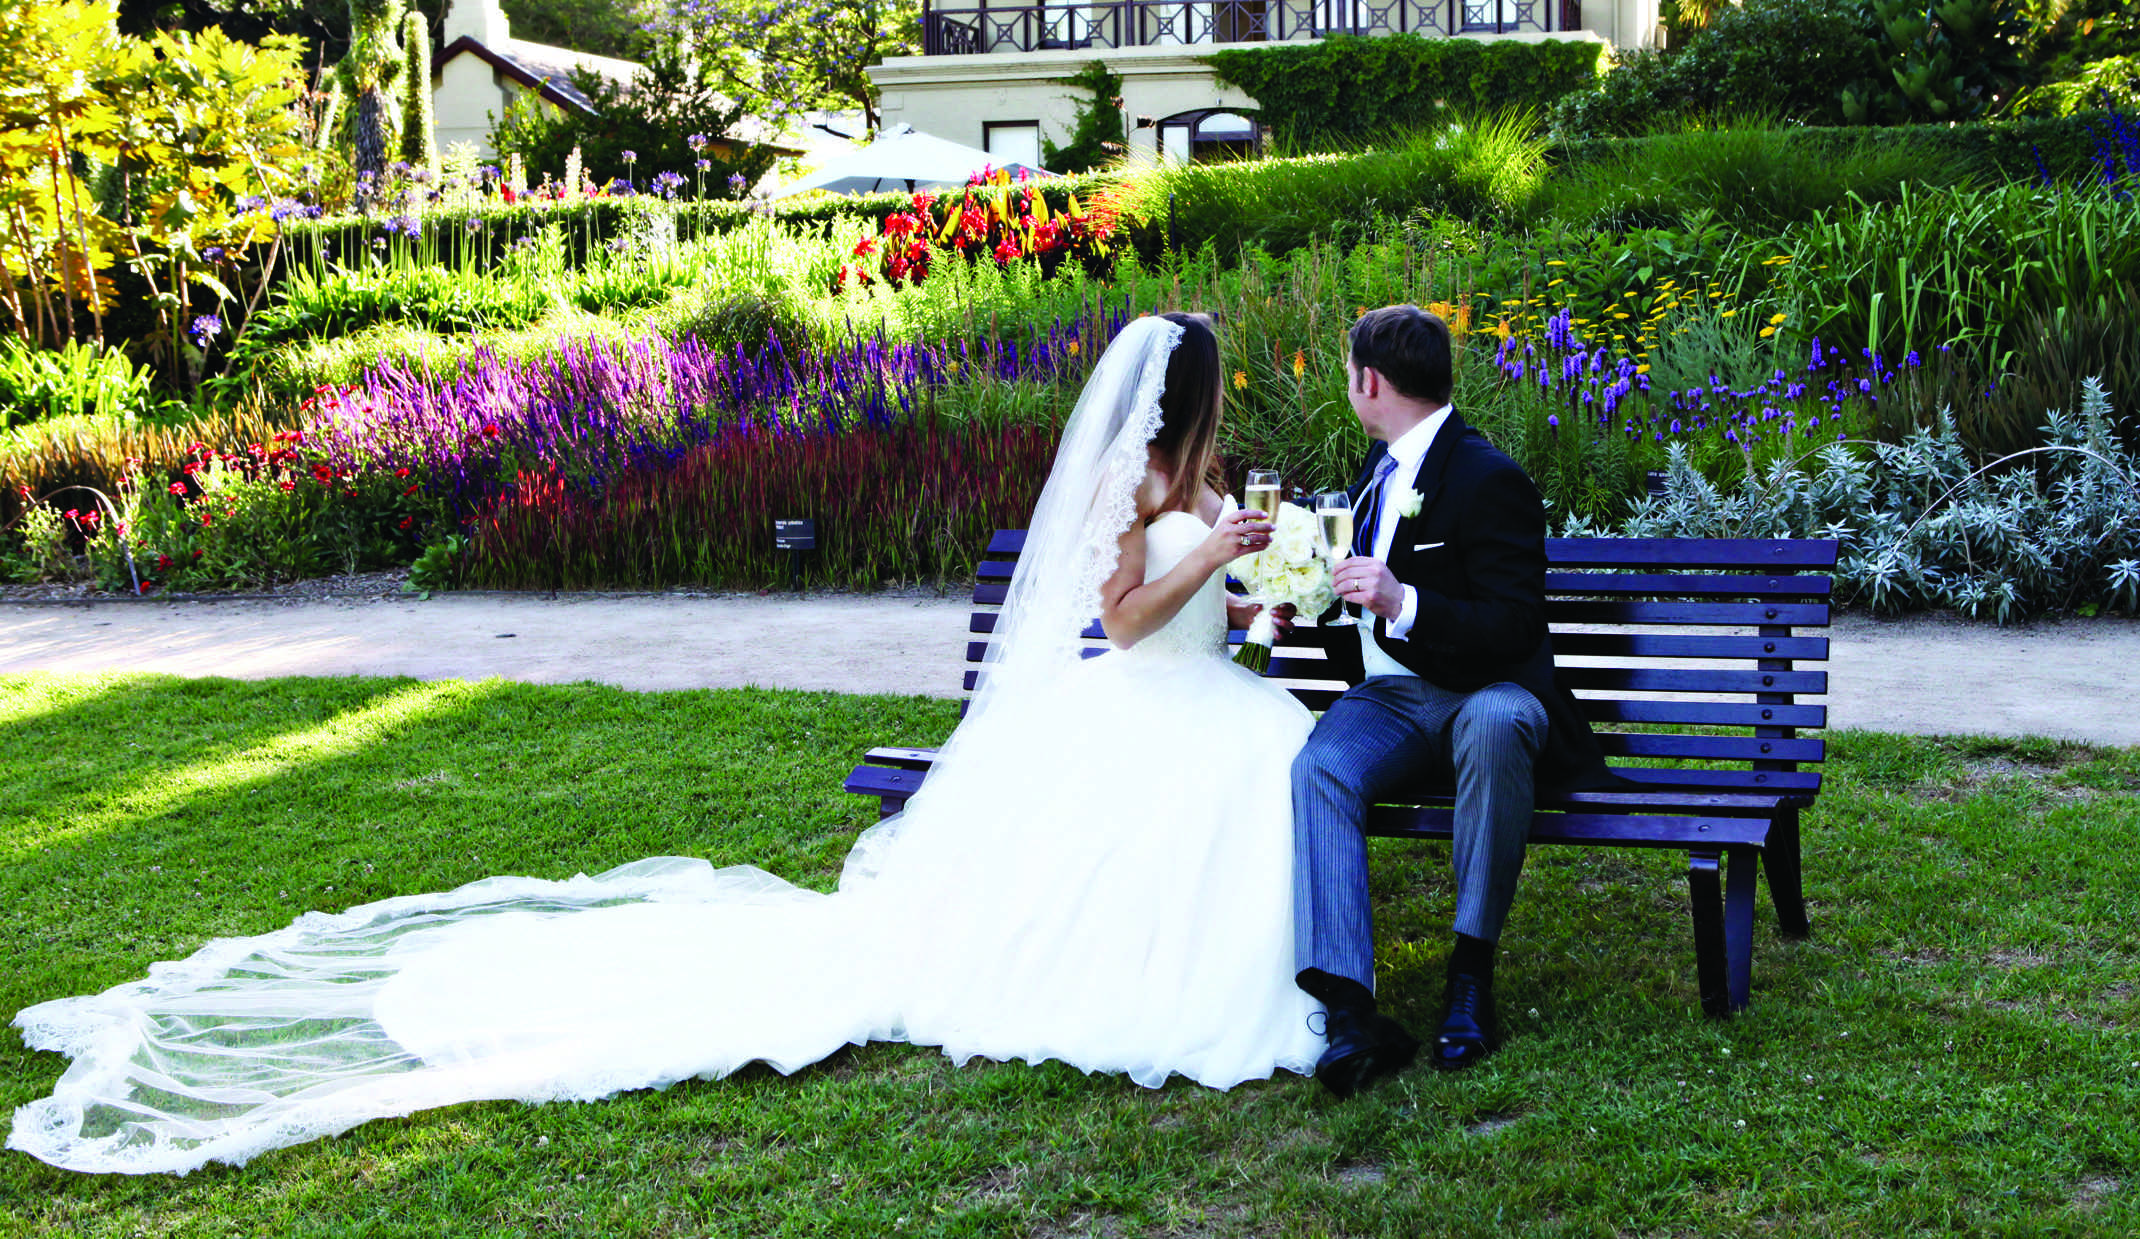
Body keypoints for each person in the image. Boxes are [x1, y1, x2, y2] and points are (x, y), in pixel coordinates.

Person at [8, 314, 1328, 1176]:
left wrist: (1271, 576)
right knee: (1226, 777)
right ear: (1182, 395)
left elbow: (1222, 605)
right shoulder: (1136, 487)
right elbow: (1114, 617)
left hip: (1204, 691)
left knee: (1267, 757)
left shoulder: (1213, 477)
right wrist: (1201, 554)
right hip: (1133, 696)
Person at [1294, 304, 1614, 1097]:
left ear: (1370, 381)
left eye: (1347, 370)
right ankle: (1348, 1009)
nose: (1347, 383)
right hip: (1394, 698)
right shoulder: (1375, 470)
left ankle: (1470, 977)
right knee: (1319, 767)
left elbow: (1515, 625)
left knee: (1503, 721)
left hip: (1487, 691)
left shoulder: (1488, 476)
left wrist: (1407, 601)